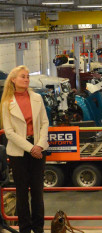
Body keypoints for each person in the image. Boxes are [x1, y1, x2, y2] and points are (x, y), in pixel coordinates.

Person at [0, 65, 49, 233]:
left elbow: (44, 123)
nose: (27, 79)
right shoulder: (7, 102)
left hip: (38, 149)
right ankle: (25, 229)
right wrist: (31, 148)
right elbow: (9, 132)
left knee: (37, 192)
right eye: (23, 76)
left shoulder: (37, 98)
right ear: (13, 80)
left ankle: (38, 228)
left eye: (28, 76)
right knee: (22, 193)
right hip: (19, 152)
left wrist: (39, 145)